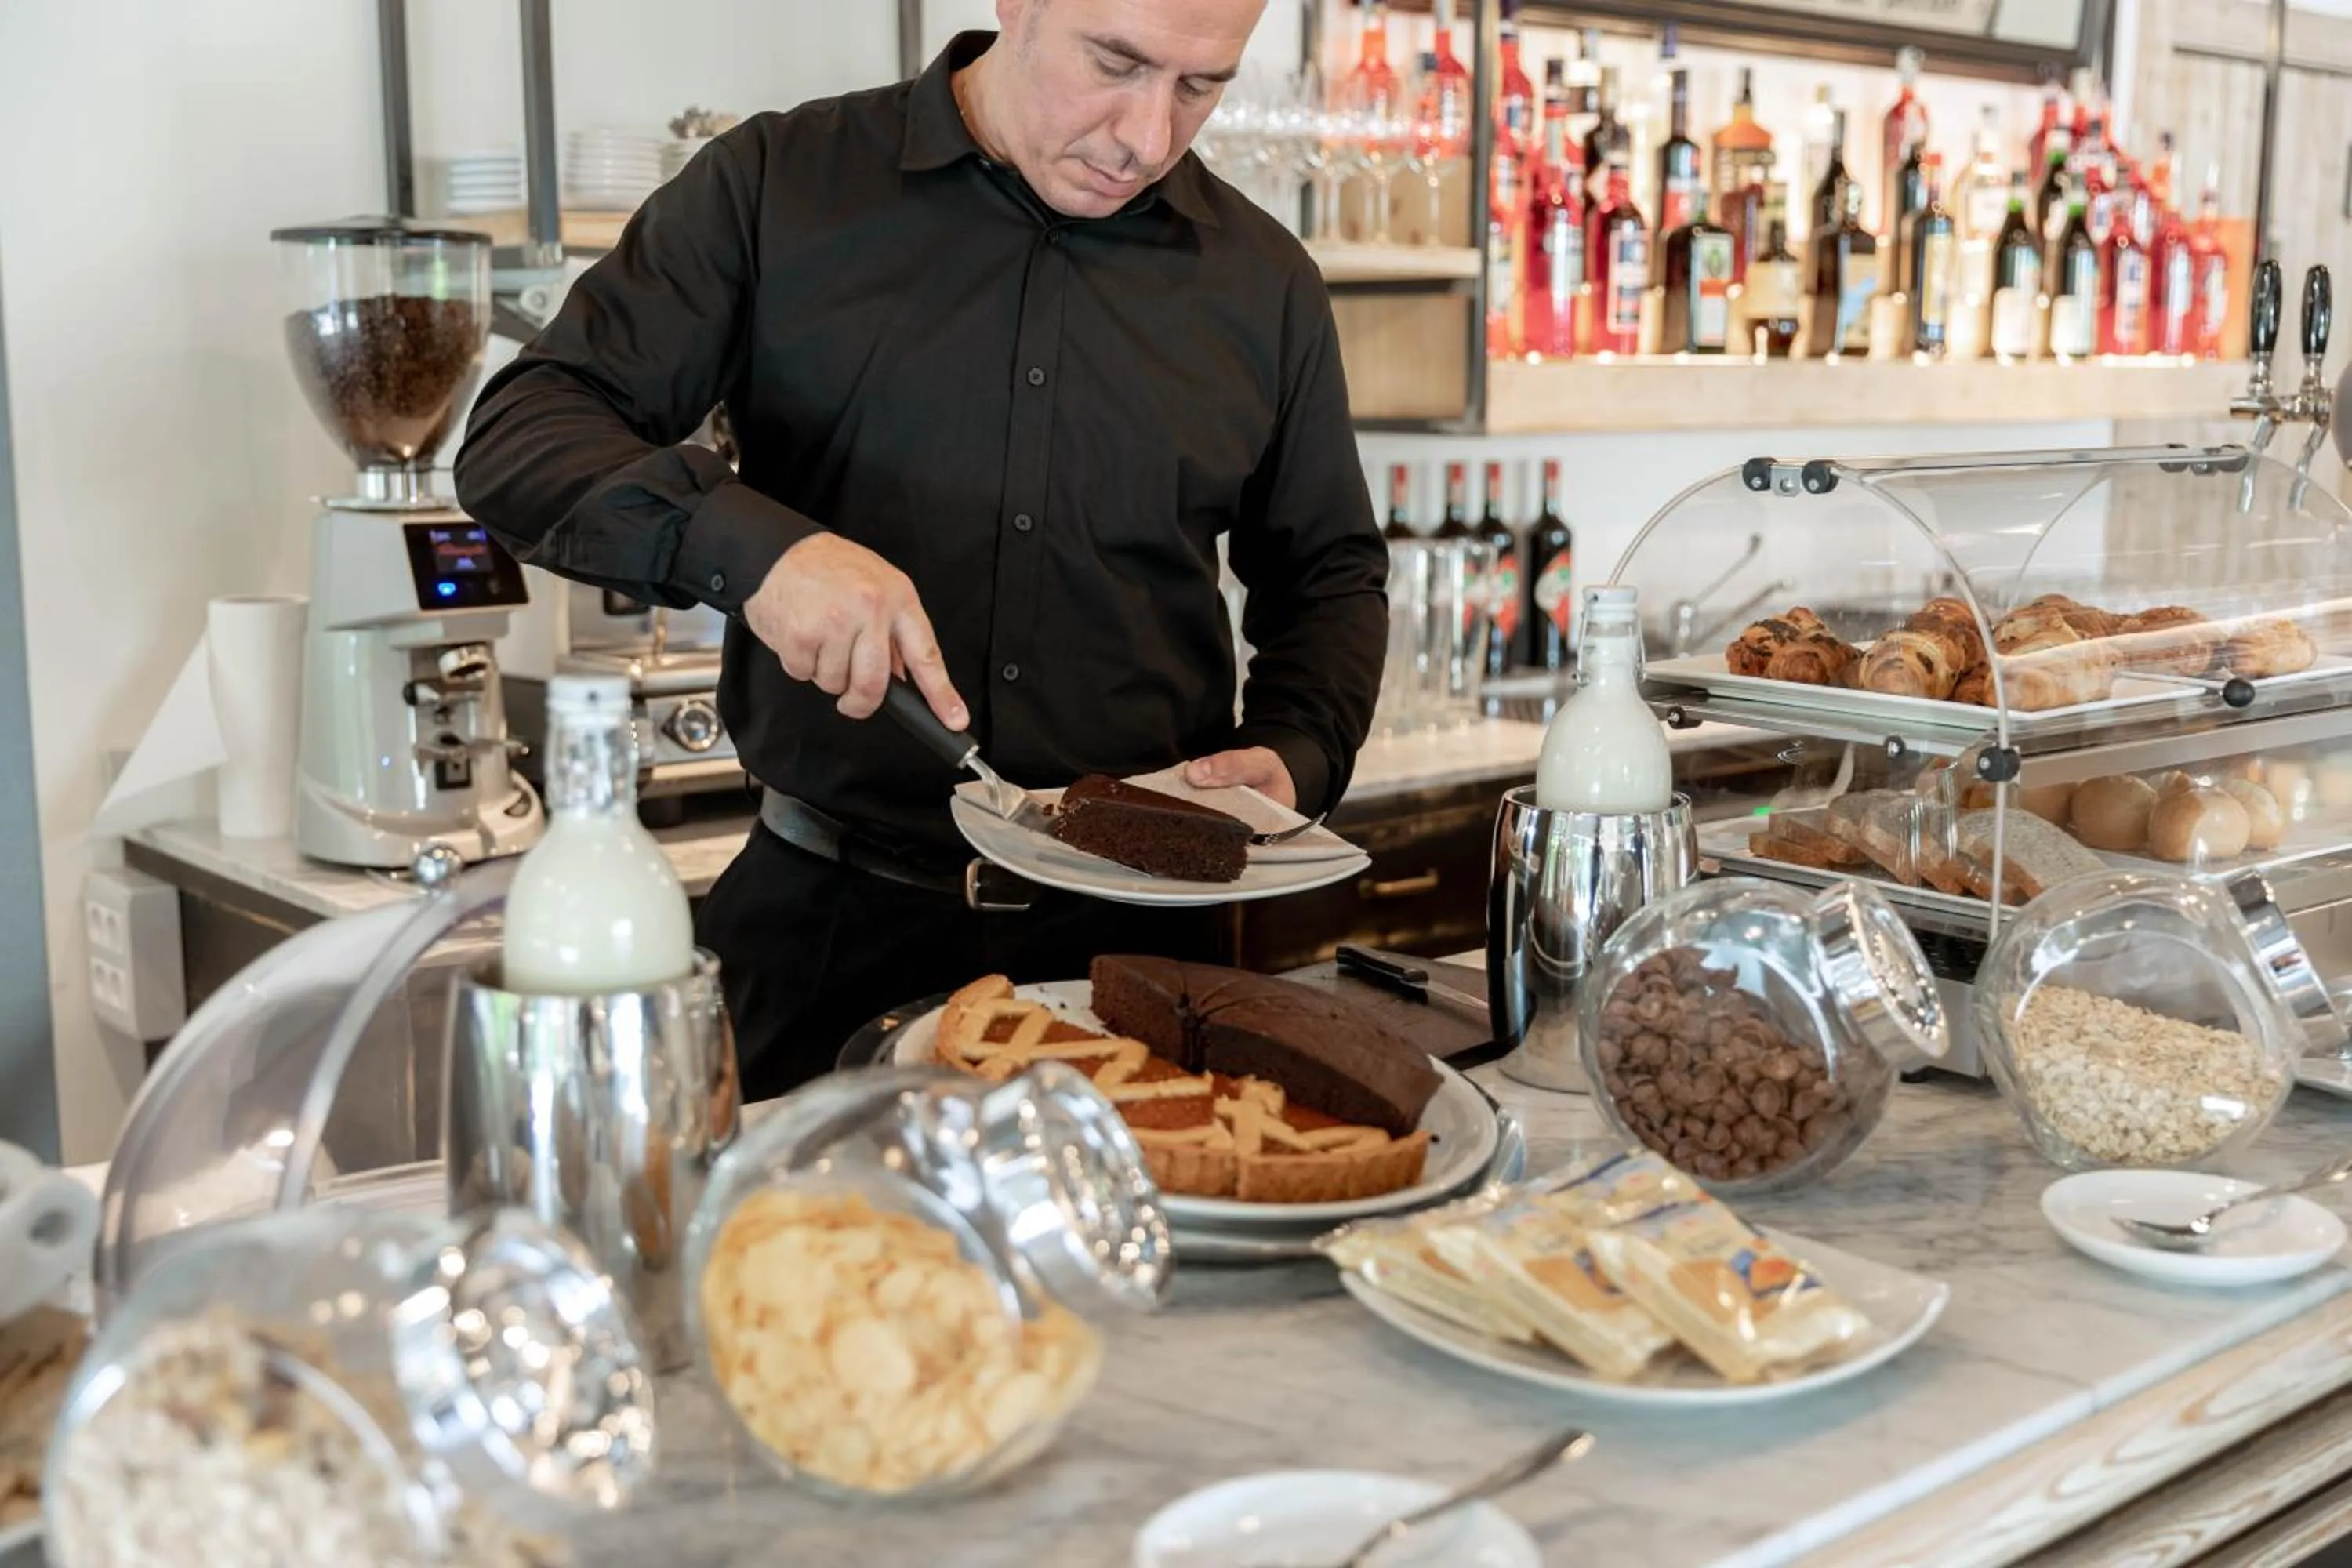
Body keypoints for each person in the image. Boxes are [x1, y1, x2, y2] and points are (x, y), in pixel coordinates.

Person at [456, 0, 1385, 1100]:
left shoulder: (1263, 283)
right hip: (824, 943)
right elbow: (523, 435)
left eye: (1201, 87)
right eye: (1117, 64)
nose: (1147, 136)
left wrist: (1295, 752)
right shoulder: (777, 186)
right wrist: (762, 555)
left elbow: (1328, 573)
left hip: (1143, 965)